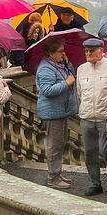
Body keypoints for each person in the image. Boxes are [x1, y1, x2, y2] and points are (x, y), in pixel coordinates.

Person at [36, 38, 79, 189]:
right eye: (60, 51)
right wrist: (66, 83)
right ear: (50, 53)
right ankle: (52, 178)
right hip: (52, 113)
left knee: (60, 144)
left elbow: (73, 76)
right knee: (54, 146)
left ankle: (57, 174)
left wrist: (68, 63)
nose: (63, 53)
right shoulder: (45, 69)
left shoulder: (59, 65)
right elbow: (47, 91)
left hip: (61, 111)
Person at [76, 38, 107, 196]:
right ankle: (95, 183)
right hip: (86, 116)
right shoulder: (81, 69)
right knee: (90, 152)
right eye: (86, 51)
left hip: (105, 117)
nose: (88, 54)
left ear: (101, 50)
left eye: (91, 51)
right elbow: (80, 92)